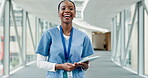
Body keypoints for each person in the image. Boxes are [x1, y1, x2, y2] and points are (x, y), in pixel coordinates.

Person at [36, 0, 94, 78]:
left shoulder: (83, 36)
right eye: (63, 8)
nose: (67, 11)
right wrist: (60, 66)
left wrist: (85, 66)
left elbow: (86, 64)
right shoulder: (49, 34)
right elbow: (40, 63)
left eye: (70, 9)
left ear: (75, 13)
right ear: (58, 13)